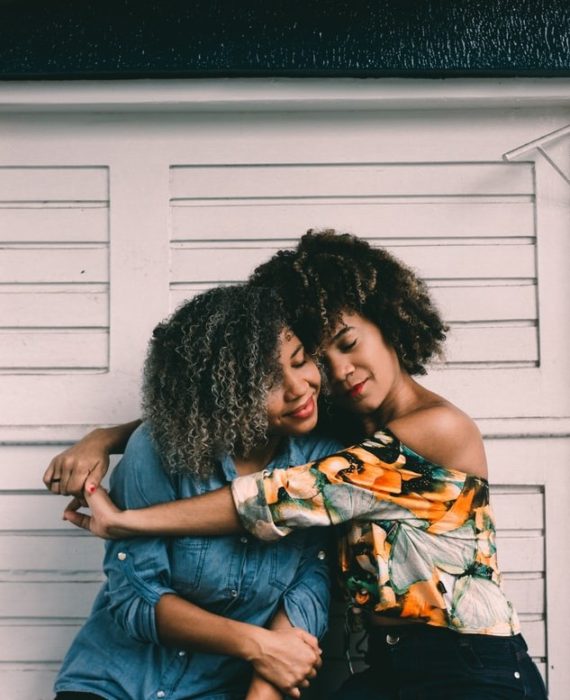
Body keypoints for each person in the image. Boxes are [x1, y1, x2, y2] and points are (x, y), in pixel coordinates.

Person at [51, 231, 547, 699]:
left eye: (349, 344)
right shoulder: (347, 434)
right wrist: (107, 437)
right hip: (389, 670)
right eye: (319, 358)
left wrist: (126, 522)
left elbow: (283, 498)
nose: (340, 371)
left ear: (389, 320)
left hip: (472, 666)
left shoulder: (437, 428)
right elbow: (215, 408)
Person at [52, 284, 343, 700]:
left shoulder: (327, 463)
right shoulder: (156, 452)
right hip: (113, 682)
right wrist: (257, 646)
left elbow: (307, 590)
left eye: (300, 362)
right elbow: (137, 598)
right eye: (265, 384)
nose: (298, 388)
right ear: (223, 395)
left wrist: (266, 682)